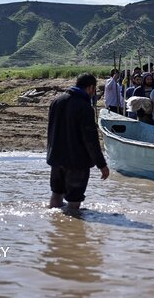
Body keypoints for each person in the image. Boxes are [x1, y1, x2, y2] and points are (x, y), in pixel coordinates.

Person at [47, 73, 109, 209]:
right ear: (91, 88)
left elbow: (51, 130)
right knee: (74, 200)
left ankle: (55, 226)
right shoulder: (85, 107)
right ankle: (72, 227)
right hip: (76, 161)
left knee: (56, 194)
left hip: (56, 158)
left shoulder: (57, 101)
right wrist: (102, 165)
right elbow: (91, 140)